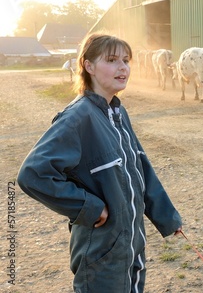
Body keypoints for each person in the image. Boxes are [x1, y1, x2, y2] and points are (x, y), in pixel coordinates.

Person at [17, 33, 182, 293]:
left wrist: (166, 217)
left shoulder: (117, 112)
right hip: (100, 252)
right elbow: (33, 174)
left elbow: (140, 168)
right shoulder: (77, 117)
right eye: (112, 59)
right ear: (88, 66)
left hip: (132, 245)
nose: (123, 67)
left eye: (126, 60)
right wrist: (89, 207)